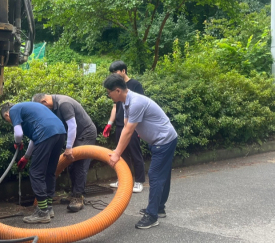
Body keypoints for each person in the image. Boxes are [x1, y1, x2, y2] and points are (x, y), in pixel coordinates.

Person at [103, 74, 178, 229]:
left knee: (155, 175)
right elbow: (126, 127)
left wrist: (116, 153)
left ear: (117, 90)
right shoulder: (125, 102)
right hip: (159, 140)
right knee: (161, 174)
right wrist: (119, 150)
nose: (108, 95)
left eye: (109, 92)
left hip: (164, 141)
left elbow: (129, 131)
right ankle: (158, 208)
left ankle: (152, 216)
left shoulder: (136, 102)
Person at [0, 101, 67, 224]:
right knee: (49, 171)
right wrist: (26, 157)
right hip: (60, 132)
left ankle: (42, 212)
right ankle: (49, 208)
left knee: (36, 172)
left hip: (46, 133)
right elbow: (34, 139)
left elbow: (18, 133)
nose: (12, 123)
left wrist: (17, 142)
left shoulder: (13, 110)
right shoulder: (30, 110)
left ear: (6, 115)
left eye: (9, 121)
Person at [32, 93, 98, 212]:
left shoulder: (64, 104)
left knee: (80, 164)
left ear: (44, 102)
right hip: (75, 134)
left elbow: (72, 126)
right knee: (71, 164)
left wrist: (68, 148)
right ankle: (74, 193)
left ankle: (78, 197)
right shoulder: (54, 105)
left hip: (85, 133)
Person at [103, 60, 146, 193]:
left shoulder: (134, 85)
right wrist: (110, 123)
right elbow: (115, 106)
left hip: (132, 125)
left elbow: (141, 106)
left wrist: (139, 128)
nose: (113, 75)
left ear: (123, 71)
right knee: (121, 153)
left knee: (135, 153)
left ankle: (139, 181)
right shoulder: (115, 87)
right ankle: (124, 179)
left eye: (115, 72)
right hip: (121, 124)